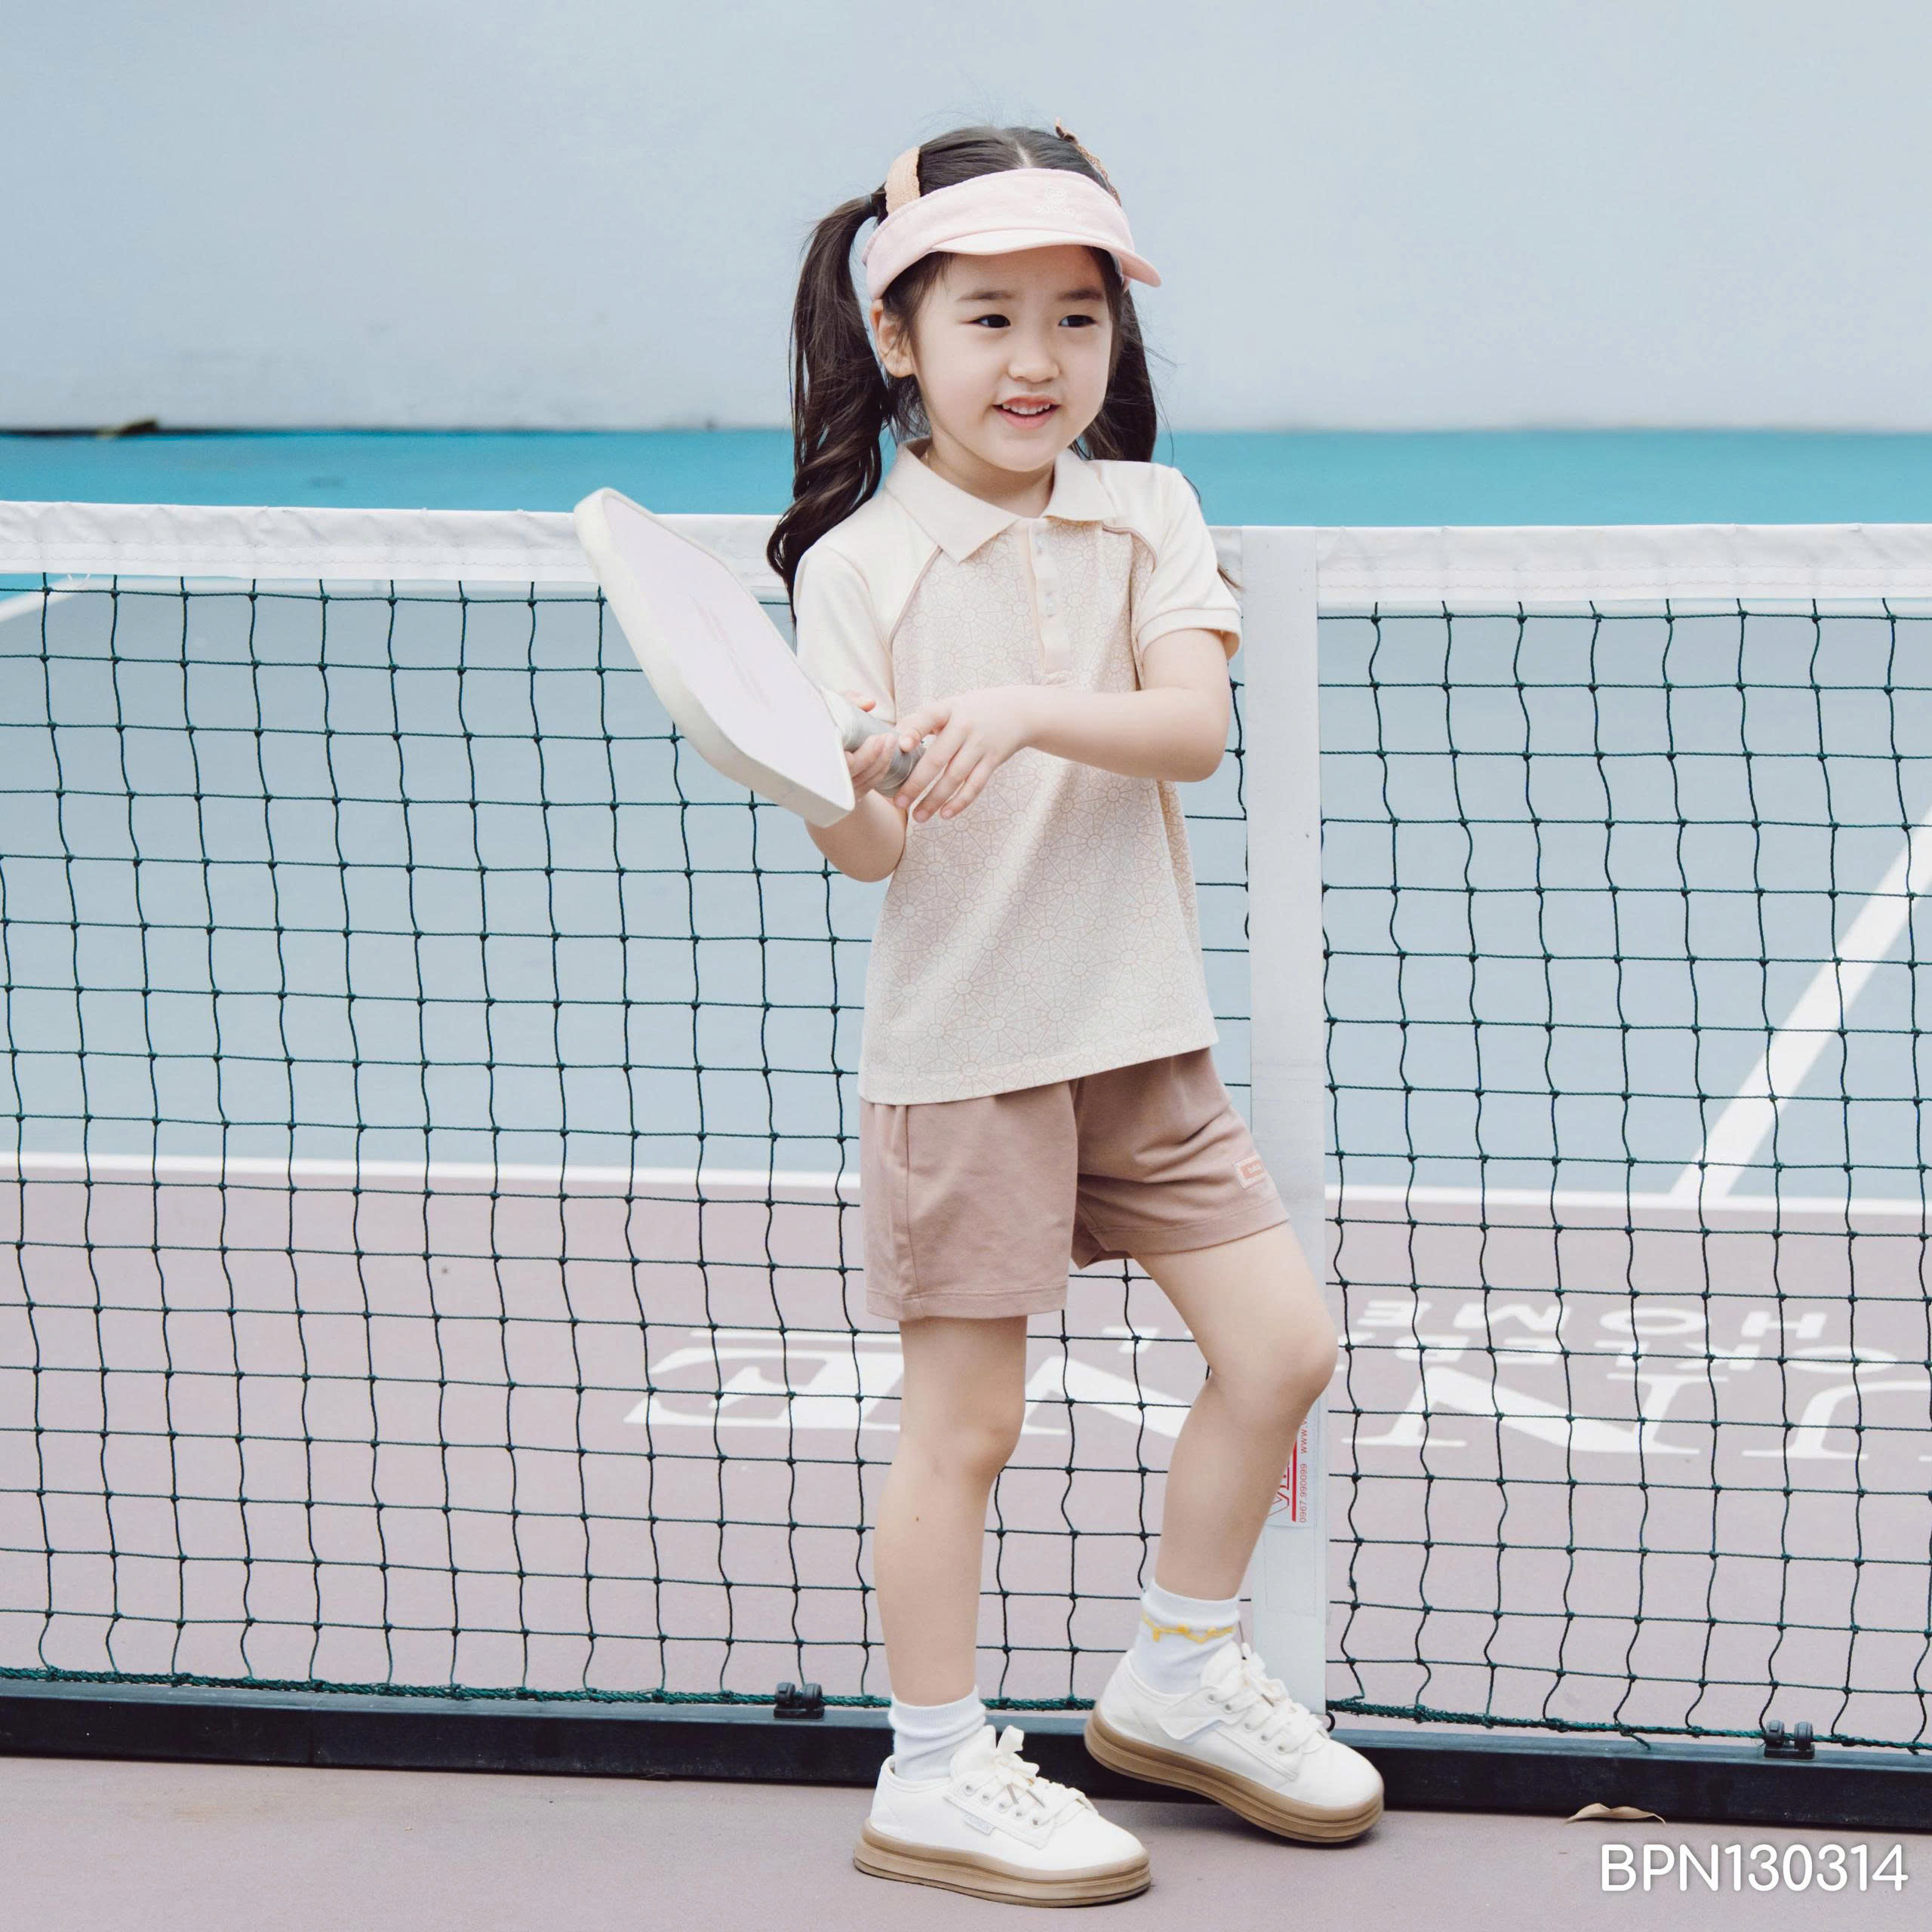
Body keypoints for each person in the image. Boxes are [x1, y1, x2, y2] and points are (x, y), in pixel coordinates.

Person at [765, 121, 1383, 1906]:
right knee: (963, 1428)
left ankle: (1176, 1668)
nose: (1034, 360)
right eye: (988, 317)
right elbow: (873, 848)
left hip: (1143, 1041)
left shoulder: (1144, 516)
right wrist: (825, 780)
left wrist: (1021, 709)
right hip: (968, 1061)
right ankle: (933, 1767)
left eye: (1075, 317)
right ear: (897, 337)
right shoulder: (855, 570)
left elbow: (1186, 728)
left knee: (1280, 1349)